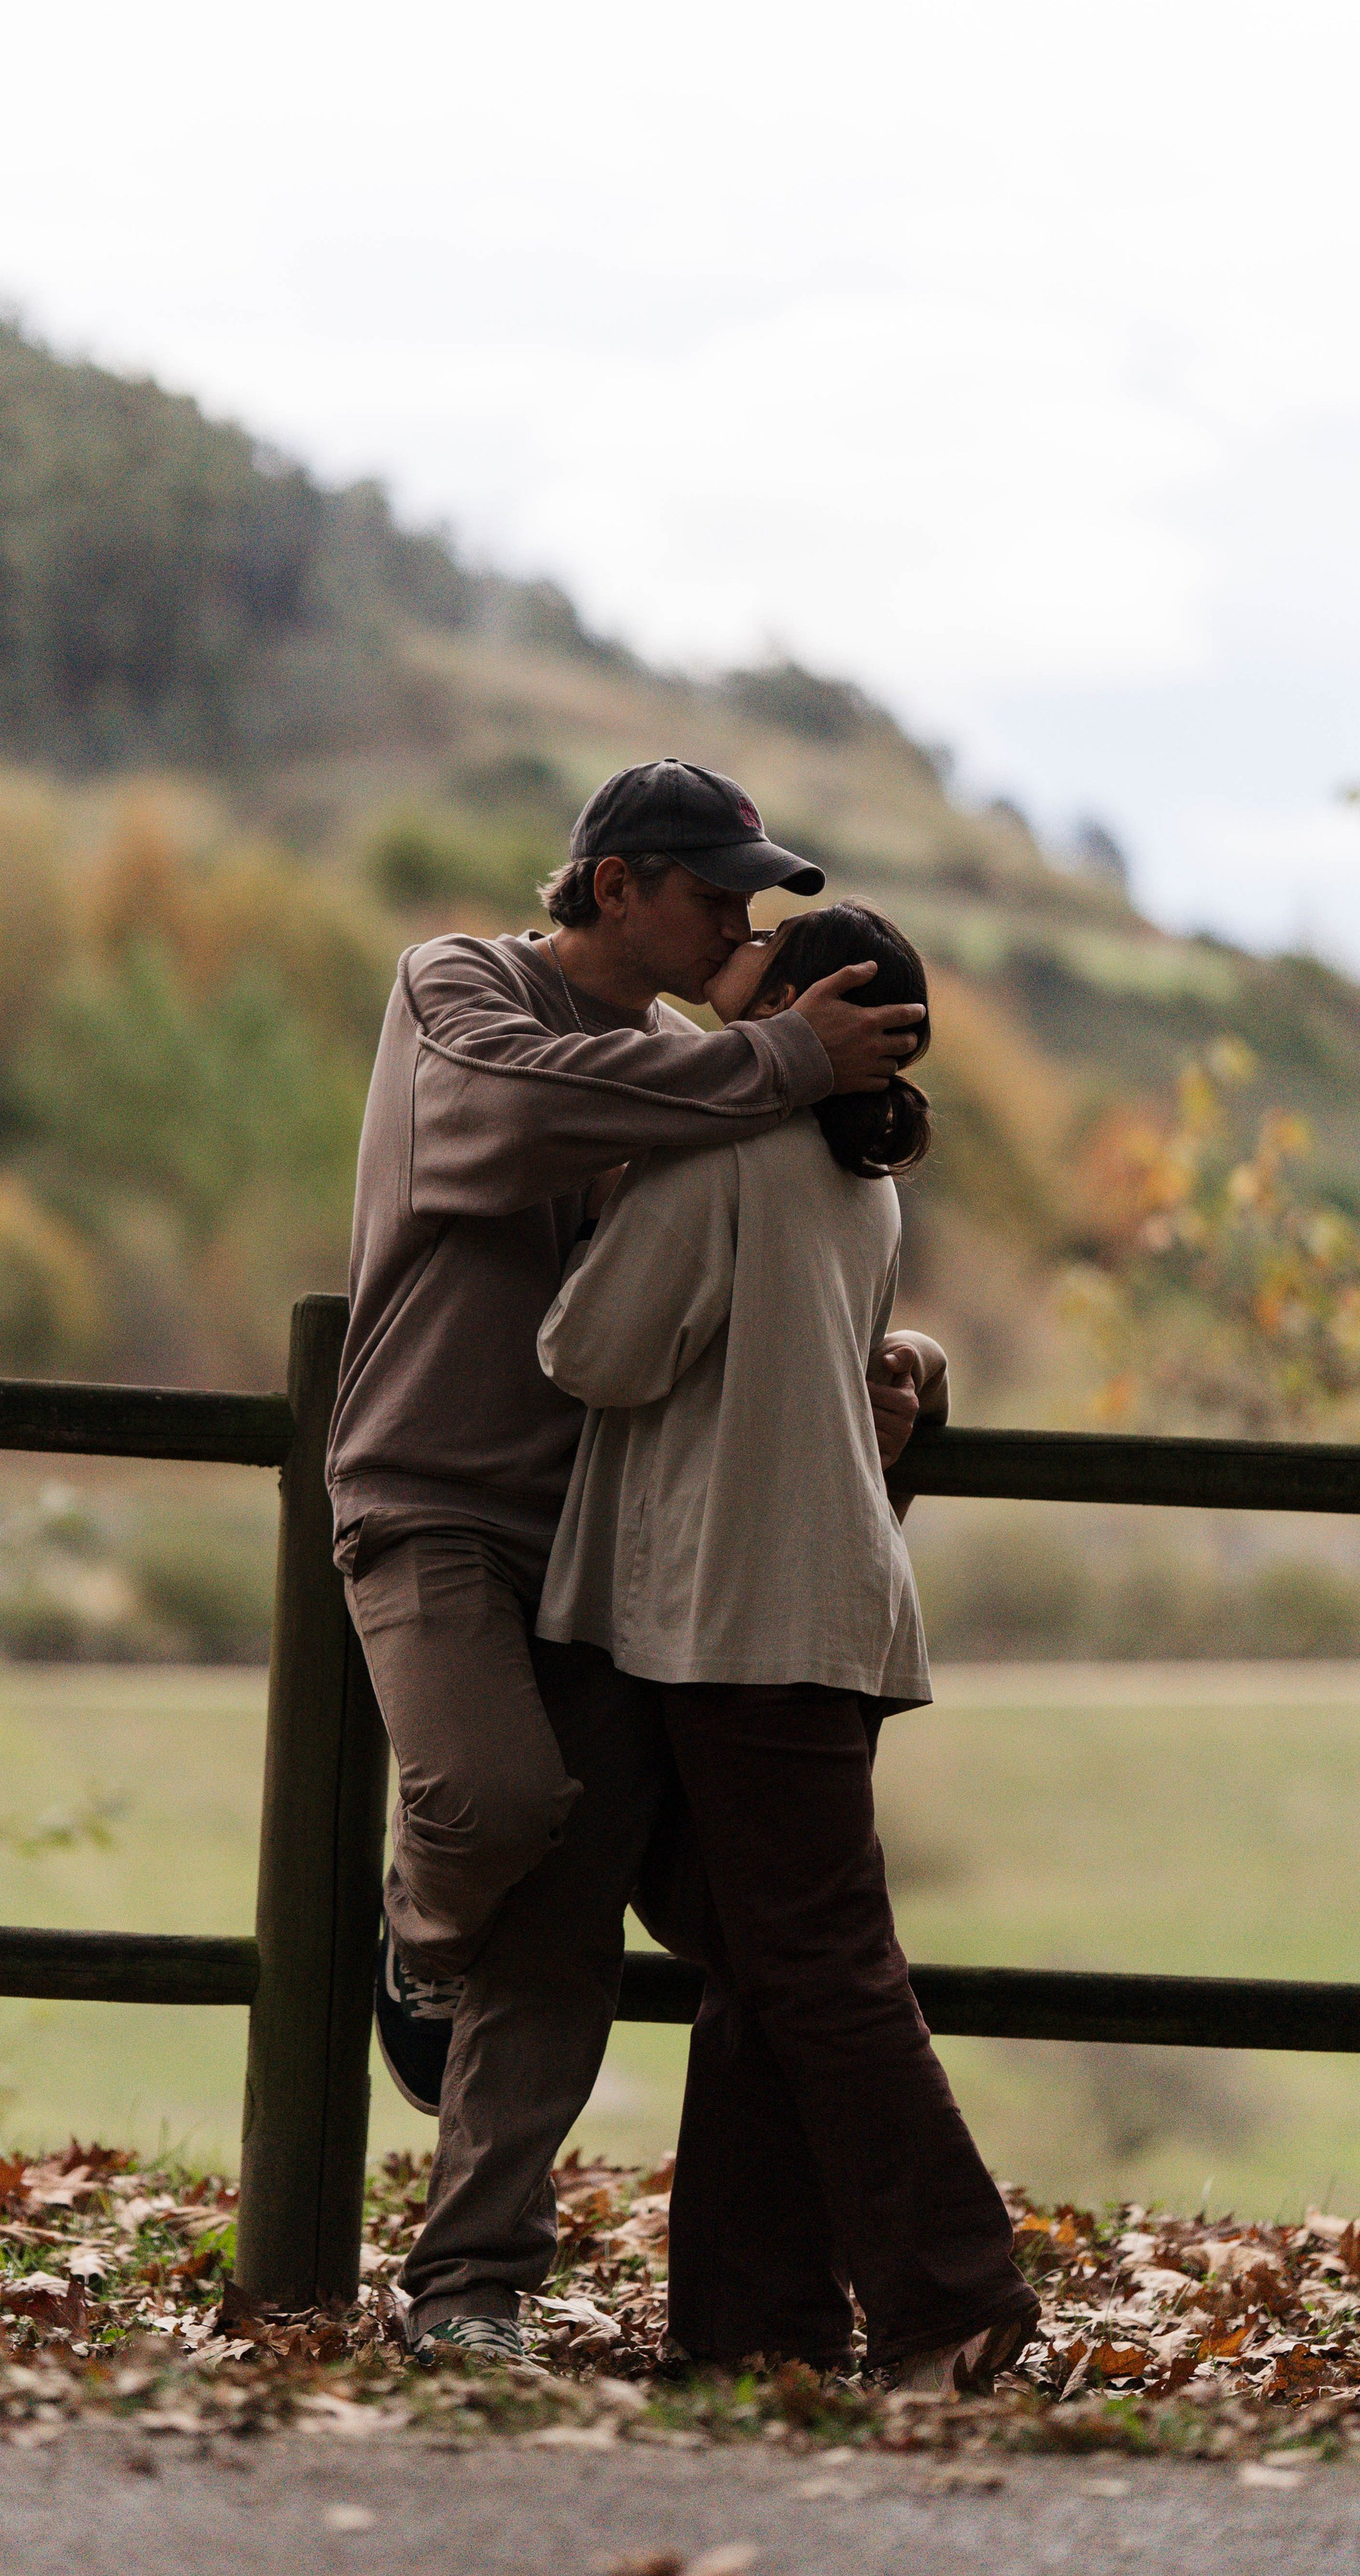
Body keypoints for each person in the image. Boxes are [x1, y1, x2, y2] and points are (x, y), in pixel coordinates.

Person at [327, 761, 933, 2364]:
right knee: (487, 1808)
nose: (740, 920)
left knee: (564, 1925)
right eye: (716, 894)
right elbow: (507, 1116)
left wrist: (887, 1353)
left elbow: (741, 1251)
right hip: (434, 1496)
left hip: (606, 1548)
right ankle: (414, 1928)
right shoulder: (455, 988)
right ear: (611, 887)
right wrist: (781, 1053)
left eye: (752, 904)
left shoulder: (694, 1071)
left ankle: (466, 2292)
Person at [536, 902, 1038, 2389]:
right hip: (818, 1596)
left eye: (752, 967)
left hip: (740, 1607)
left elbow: (591, 1352)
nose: (720, 971)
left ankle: (956, 2298)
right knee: (764, 1955)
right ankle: (757, 2329)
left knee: (811, 1962)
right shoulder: (854, 1171)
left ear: (804, 1007)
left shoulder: (729, 1154)